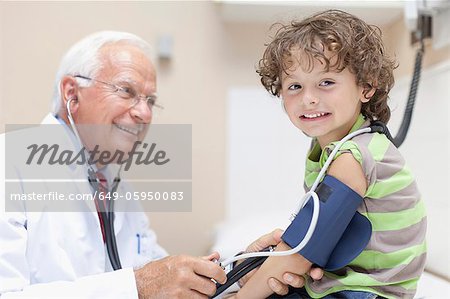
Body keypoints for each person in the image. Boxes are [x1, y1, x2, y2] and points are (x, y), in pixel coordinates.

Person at [0, 31, 314, 298]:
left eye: (150, 101)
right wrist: (138, 285)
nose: (145, 114)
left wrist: (236, 269)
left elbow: (158, 272)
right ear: (72, 93)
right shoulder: (9, 163)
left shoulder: (111, 181)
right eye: (126, 91)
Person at [233, 10, 427, 299]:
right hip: (346, 283)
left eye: (326, 82)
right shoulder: (333, 150)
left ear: (367, 86)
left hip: (370, 293)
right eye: (295, 86)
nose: (309, 98)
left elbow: (302, 249)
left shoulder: (354, 157)